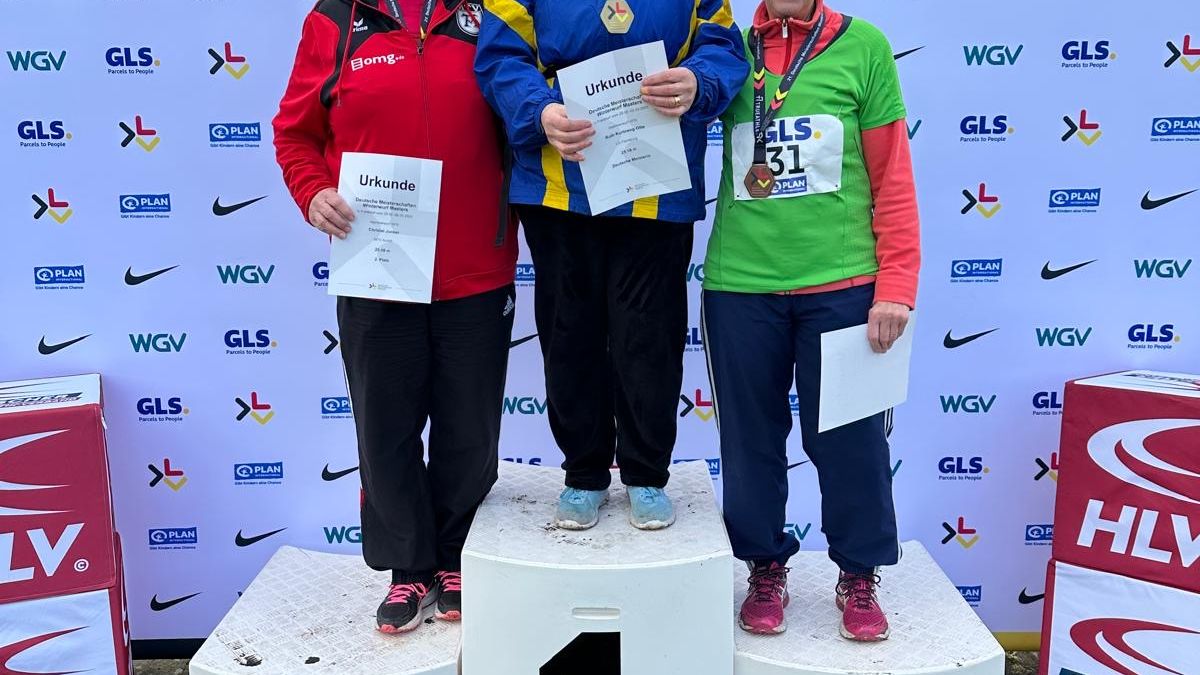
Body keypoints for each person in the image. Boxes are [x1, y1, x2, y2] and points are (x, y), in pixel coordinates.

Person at [273, 0, 518, 634]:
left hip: (476, 267)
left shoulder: (491, 12)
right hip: (376, 267)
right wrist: (313, 192)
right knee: (385, 428)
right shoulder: (336, 19)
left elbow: (523, 110)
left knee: (469, 428)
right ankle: (408, 567)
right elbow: (295, 132)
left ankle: (456, 555)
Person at [474, 0, 748, 531]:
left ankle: (646, 473)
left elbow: (721, 46)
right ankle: (584, 473)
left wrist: (698, 81)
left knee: (651, 335)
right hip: (560, 185)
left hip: (656, 183)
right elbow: (501, 55)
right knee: (569, 333)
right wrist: (539, 112)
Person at [702, 0, 920, 641]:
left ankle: (858, 573)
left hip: (844, 286)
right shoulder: (728, 49)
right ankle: (764, 566)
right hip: (741, 285)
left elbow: (893, 176)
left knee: (852, 443)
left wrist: (896, 285)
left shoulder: (864, 46)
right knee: (750, 441)